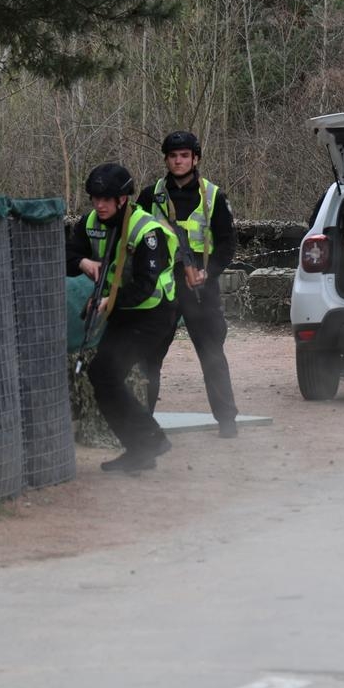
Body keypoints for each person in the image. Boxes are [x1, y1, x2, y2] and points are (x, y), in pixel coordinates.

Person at [67, 163, 179, 473]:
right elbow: (66, 256)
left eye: (106, 199)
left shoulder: (146, 230)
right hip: (122, 312)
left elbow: (145, 285)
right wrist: (84, 262)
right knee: (103, 375)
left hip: (153, 314)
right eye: (95, 198)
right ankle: (142, 447)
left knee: (107, 373)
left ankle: (149, 440)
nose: (99, 205)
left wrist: (106, 302)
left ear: (123, 199)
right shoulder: (90, 222)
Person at [138, 130, 241, 438]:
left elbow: (227, 243)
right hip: (162, 286)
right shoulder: (150, 195)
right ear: (166, 160)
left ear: (195, 159)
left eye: (184, 155)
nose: (178, 161)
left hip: (199, 287)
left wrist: (210, 272)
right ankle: (141, 424)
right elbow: (136, 238)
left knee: (212, 356)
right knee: (149, 358)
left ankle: (227, 421)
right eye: (173, 156)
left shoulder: (213, 195)